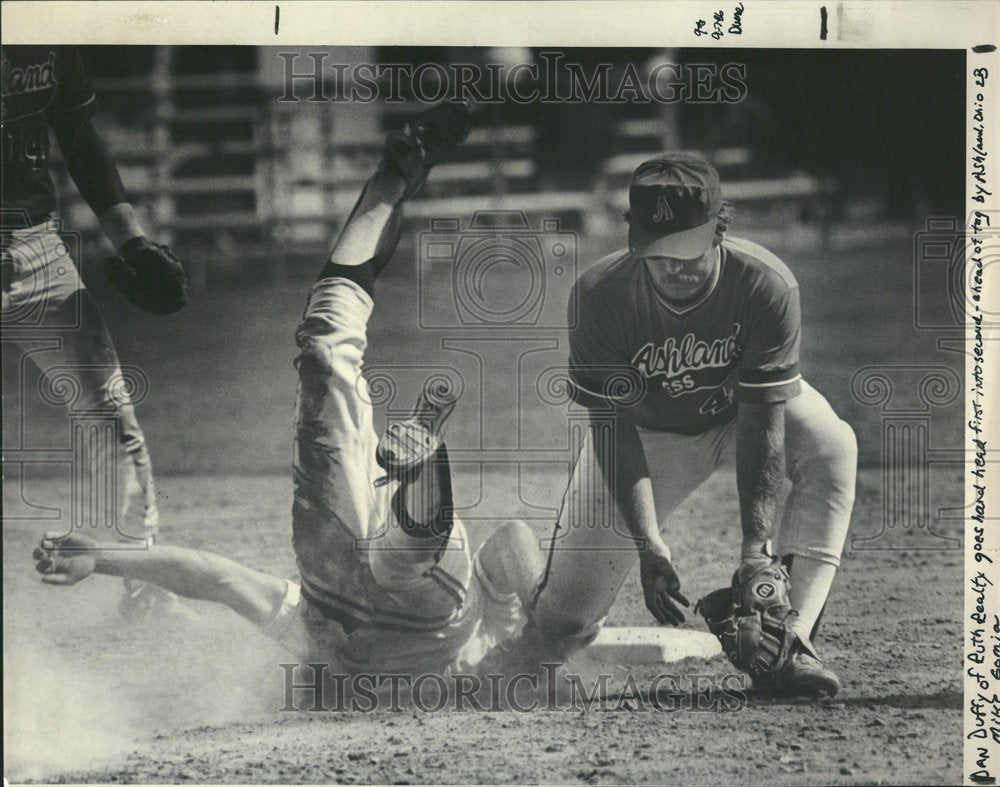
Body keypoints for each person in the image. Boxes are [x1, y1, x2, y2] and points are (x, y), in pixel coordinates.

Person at [32, 102, 544, 678]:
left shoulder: (311, 640)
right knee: (402, 568)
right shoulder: (473, 658)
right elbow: (512, 539)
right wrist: (537, 636)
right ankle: (424, 464)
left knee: (322, 349)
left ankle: (392, 180)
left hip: (338, 556)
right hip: (439, 615)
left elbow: (216, 577)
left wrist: (99, 558)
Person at [483, 153, 857, 698]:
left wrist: (757, 551)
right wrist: (648, 542)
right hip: (649, 436)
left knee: (833, 446)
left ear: (720, 229)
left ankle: (789, 639)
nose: (676, 266)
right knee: (560, 626)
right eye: (660, 252)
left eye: (689, 249)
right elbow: (612, 428)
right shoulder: (600, 295)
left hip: (740, 415)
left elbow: (763, 422)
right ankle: (509, 557)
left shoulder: (765, 285)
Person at [2, 46, 188, 613]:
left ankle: (144, 589)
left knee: (110, 416)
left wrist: (130, 238)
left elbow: (79, 136)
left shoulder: (49, 37)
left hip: (34, 248)